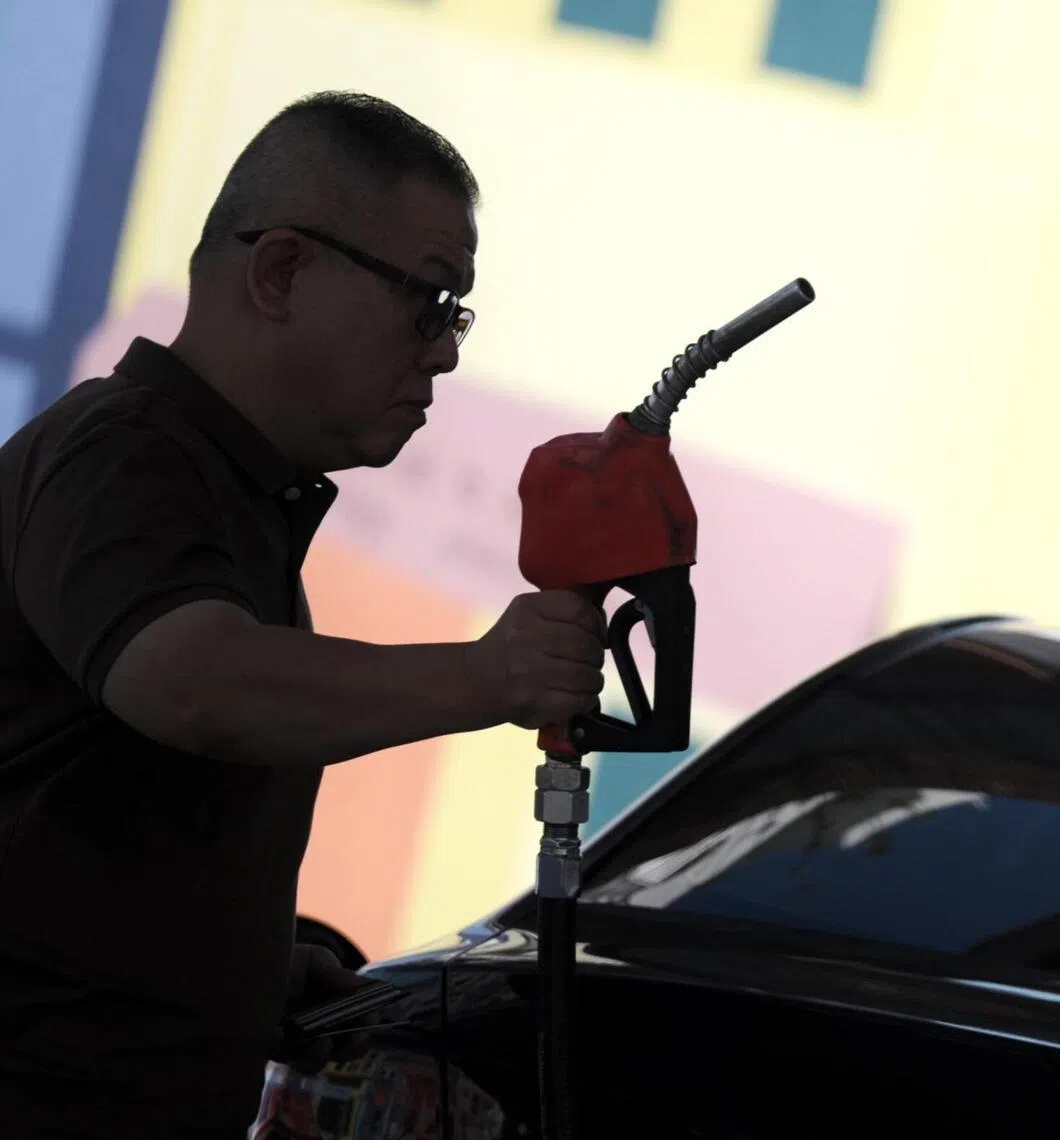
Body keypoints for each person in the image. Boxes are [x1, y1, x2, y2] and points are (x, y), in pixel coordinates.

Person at [0, 91, 606, 1137]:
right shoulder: (119, 453)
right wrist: (489, 675)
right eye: (430, 302)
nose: (446, 353)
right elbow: (192, 683)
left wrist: (245, 969)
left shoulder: (232, 513)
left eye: (454, 316)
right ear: (280, 271)